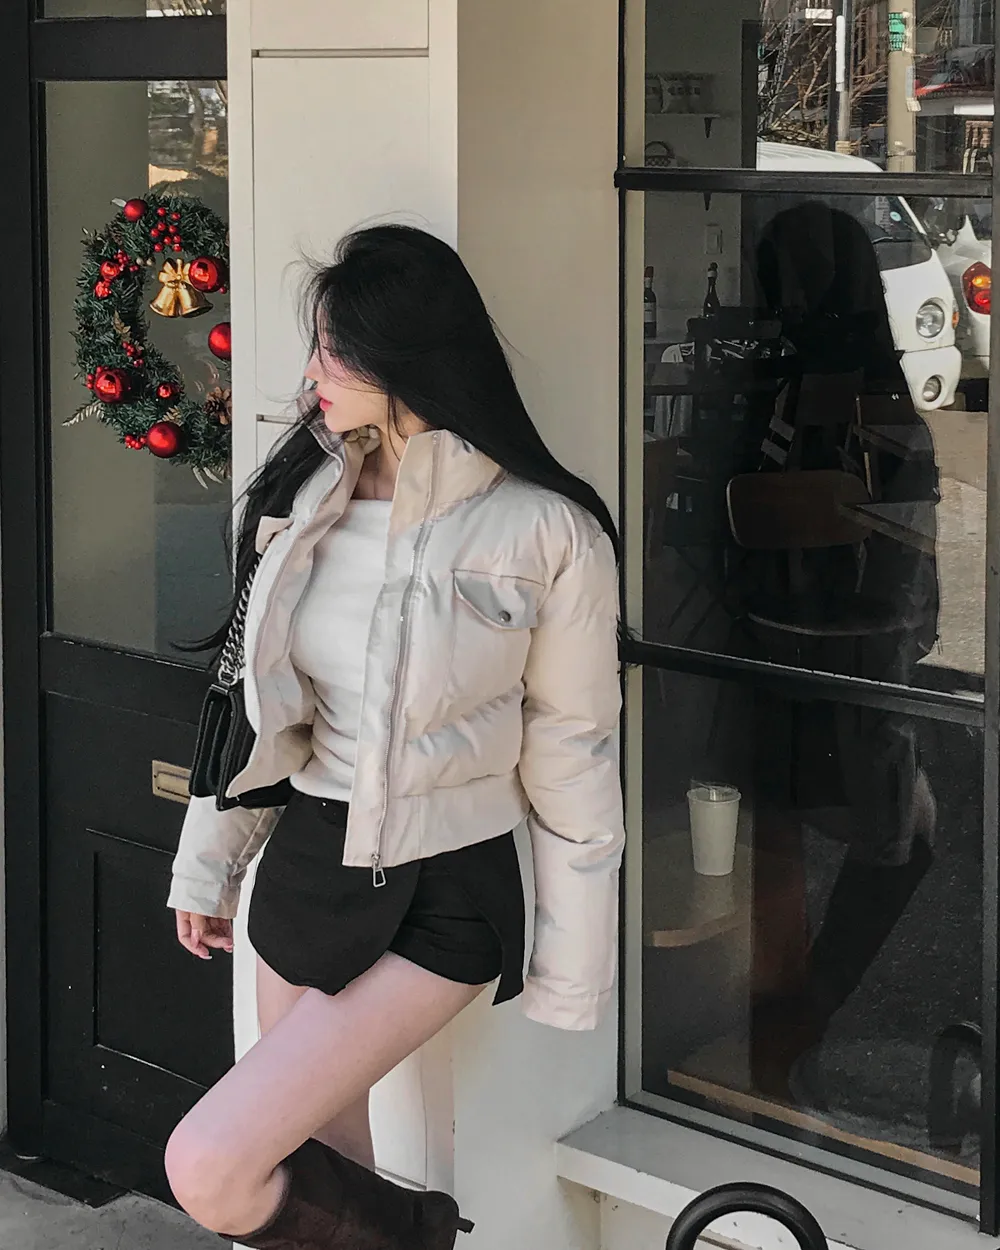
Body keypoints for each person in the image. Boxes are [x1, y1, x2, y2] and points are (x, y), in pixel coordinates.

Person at [163, 224, 625, 1250]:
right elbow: (253, 710)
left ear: (402, 355)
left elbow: (573, 750)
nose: (311, 373)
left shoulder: (547, 530)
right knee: (326, 1195)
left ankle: (425, 1234)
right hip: (306, 869)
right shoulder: (302, 501)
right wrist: (209, 864)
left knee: (212, 1164)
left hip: (446, 888)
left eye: (333, 350)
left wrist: (572, 964)